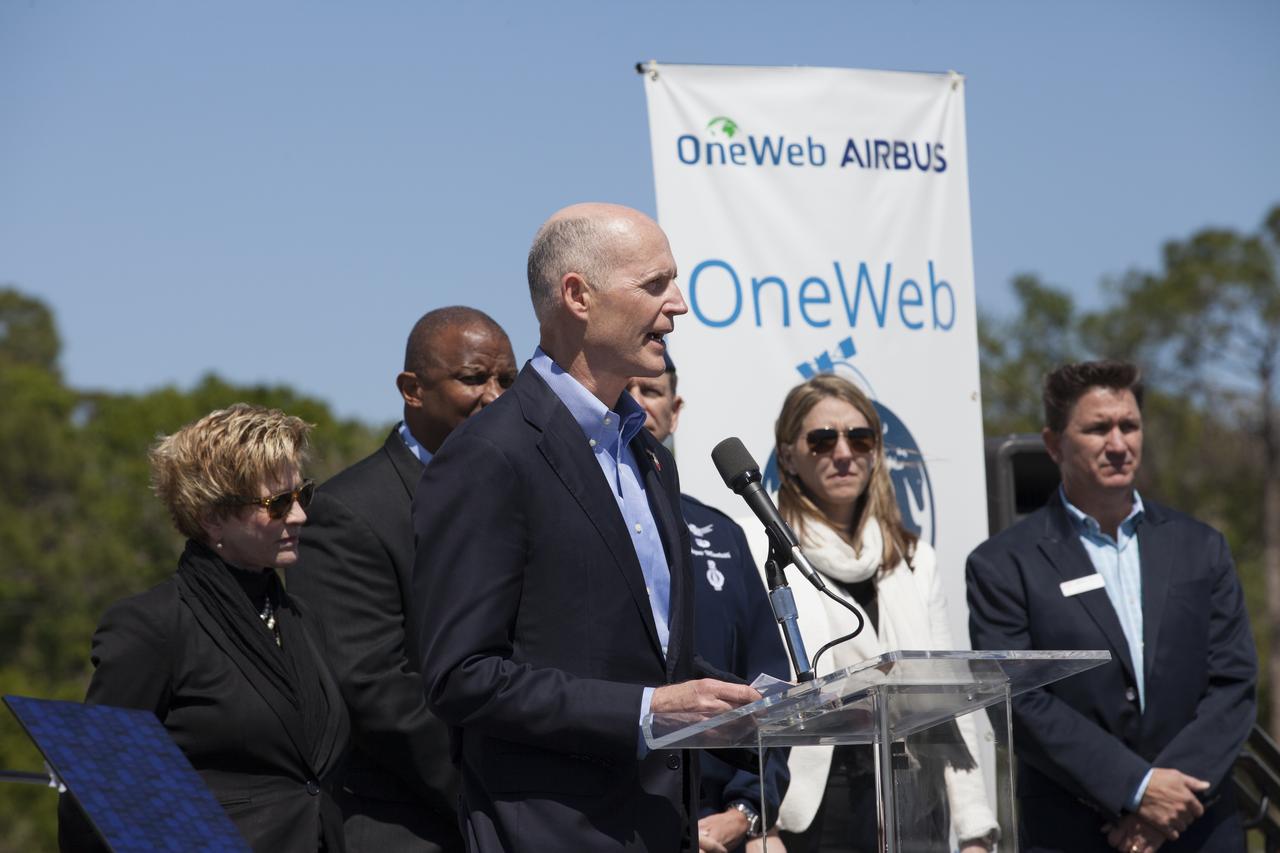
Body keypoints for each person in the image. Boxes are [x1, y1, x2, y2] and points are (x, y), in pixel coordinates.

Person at [411, 202, 761, 853]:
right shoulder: (491, 455)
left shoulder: (648, 454)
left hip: (659, 827)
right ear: (579, 295)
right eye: (655, 284)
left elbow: (644, 647)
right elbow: (462, 674)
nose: (678, 305)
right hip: (550, 832)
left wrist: (754, 700)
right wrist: (647, 710)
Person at [966, 360, 1257, 853]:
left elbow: (1233, 684)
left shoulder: (1201, 547)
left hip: (1200, 828)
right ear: (1054, 443)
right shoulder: (1002, 564)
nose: (1118, 443)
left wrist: (1165, 808)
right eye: (1098, 428)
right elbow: (1018, 701)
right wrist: (1135, 790)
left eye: (1129, 426)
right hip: (1078, 832)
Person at [59, 404, 350, 852]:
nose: (299, 516)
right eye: (277, 503)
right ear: (212, 516)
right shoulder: (152, 626)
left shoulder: (301, 618)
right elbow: (93, 799)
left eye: (302, 495)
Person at [291, 307, 516, 851]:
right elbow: (373, 688)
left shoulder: (523, 499)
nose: (495, 396)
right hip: (410, 826)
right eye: (474, 378)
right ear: (412, 390)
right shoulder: (350, 512)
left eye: (508, 381)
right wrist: (497, 804)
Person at [756, 374, 998, 853]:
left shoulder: (913, 558)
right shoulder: (757, 549)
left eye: (860, 437)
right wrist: (759, 825)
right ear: (788, 456)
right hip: (813, 805)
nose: (843, 453)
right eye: (822, 440)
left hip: (915, 793)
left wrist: (975, 829)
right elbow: (750, 693)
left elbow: (947, 696)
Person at [627, 354, 791, 853]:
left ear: (675, 410)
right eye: (625, 389)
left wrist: (743, 812)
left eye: (651, 391)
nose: (638, 402)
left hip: (719, 823)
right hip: (617, 818)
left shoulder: (721, 532)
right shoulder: (582, 526)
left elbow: (771, 686)